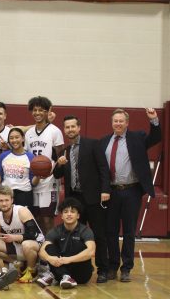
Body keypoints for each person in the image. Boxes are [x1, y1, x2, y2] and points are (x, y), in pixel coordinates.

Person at [100, 108, 161, 282]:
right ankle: (112, 266)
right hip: (110, 192)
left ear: (127, 123)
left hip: (132, 190)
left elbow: (155, 138)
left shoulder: (138, 138)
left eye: (121, 121)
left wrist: (154, 120)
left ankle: (126, 268)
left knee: (128, 231)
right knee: (110, 231)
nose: (118, 123)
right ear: (112, 123)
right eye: (115, 121)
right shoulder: (104, 141)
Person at [53, 115, 111, 283]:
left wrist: (105, 190)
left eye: (73, 126)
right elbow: (57, 175)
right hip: (75, 200)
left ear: (79, 127)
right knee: (77, 235)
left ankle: (103, 270)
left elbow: (103, 169)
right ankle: (81, 268)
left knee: (98, 234)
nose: (70, 130)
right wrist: (59, 164)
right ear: (64, 130)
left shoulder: (92, 144)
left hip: (93, 198)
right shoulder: (64, 150)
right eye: (67, 127)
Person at [24, 96, 64, 234]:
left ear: (47, 112)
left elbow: (60, 156)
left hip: (49, 182)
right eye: (34, 110)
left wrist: (56, 174)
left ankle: (51, 250)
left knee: (48, 219)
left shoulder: (55, 131)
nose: (37, 113)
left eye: (41, 110)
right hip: (34, 181)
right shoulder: (29, 133)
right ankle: (41, 250)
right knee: (36, 219)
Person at [37, 198, 95, 289]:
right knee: (48, 247)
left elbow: (91, 251)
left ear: (78, 216)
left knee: (79, 245)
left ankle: (55, 276)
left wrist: (69, 259)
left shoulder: (85, 230)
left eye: (72, 212)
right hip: (62, 270)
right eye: (65, 212)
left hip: (81, 274)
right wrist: (49, 258)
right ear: (62, 216)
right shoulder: (56, 230)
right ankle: (64, 276)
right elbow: (41, 251)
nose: (69, 214)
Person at [0, 186, 45, 283]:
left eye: (7, 200)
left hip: (36, 243)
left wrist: (15, 237)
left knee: (27, 245)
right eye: (1, 200)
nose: (4, 203)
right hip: (18, 244)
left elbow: (33, 233)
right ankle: (18, 264)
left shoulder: (21, 211)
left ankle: (32, 270)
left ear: (12, 200)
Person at [0, 127, 40, 210]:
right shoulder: (4, 155)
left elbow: (33, 183)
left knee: (23, 221)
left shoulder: (30, 157)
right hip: (6, 194)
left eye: (17, 137)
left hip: (25, 194)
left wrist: (38, 175)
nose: (14, 140)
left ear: (23, 138)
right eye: (11, 138)